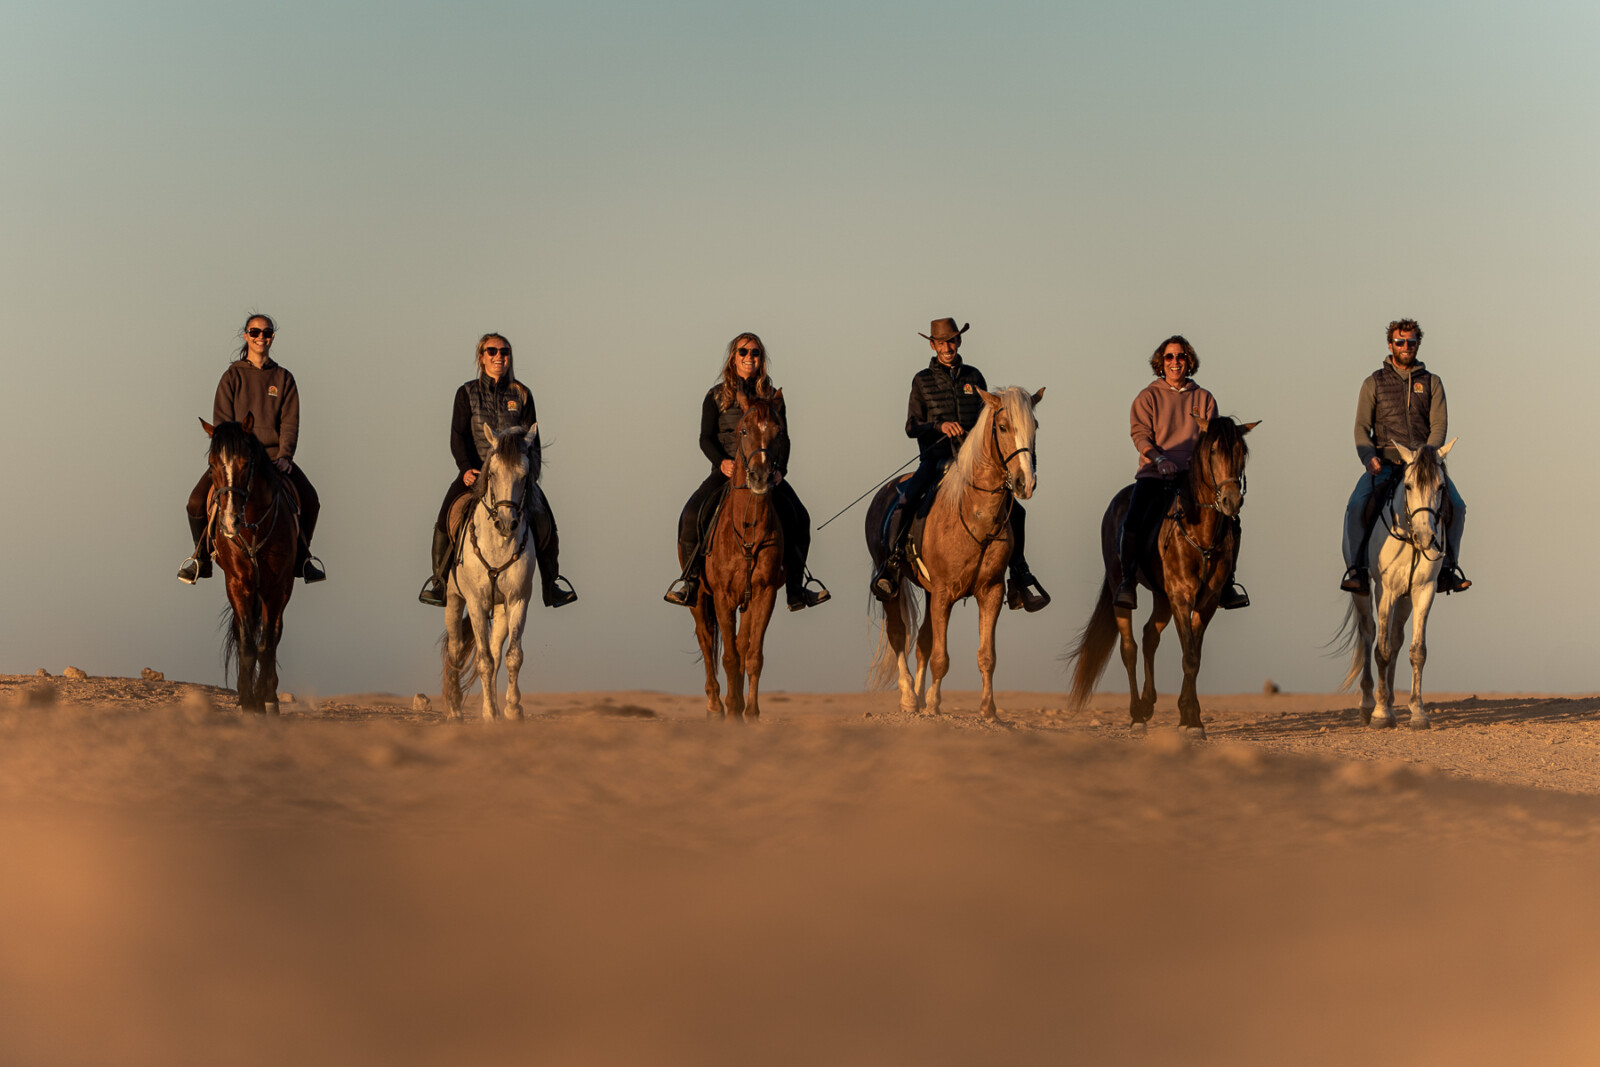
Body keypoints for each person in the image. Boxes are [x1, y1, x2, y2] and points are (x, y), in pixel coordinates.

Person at [870, 318, 1049, 611]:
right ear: (933, 345)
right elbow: (911, 425)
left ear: (959, 343)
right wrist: (940, 426)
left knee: (1016, 513)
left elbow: (988, 422)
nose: (947, 347)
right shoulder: (922, 380)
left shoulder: (974, 377)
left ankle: (1018, 574)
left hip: (971, 462)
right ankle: (891, 564)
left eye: (952, 341)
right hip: (935, 458)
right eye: (942, 342)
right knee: (908, 498)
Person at [663, 332, 830, 612]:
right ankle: (690, 584)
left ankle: (795, 589)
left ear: (761, 359)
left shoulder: (772, 397)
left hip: (766, 473)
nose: (749, 358)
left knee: (800, 517)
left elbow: (784, 439)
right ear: (733, 358)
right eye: (743, 352)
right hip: (728, 471)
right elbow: (705, 438)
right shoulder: (715, 396)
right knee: (691, 515)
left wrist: (782, 470)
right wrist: (721, 463)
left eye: (755, 353)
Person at [417, 332, 577, 608]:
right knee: (445, 517)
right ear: (481, 357)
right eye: (492, 352)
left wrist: (528, 476)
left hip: (514, 477)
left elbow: (532, 440)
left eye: (504, 352)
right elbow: (457, 436)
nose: (499, 357)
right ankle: (439, 583)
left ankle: (551, 584)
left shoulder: (522, 393)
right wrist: (466, 469)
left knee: (545, 519)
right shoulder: (466, 393)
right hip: (477, 472)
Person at [179, 313, 324, 584]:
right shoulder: (231, 377)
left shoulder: (284, 378)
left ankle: (303, 558)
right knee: (196, 502)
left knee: (311, 499)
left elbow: (290, 422)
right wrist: (231, 458)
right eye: (255, 332)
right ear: (246, 335)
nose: (261, 337)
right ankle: (200, 558)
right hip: (236, 462)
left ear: (272, 337)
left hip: (273, 459)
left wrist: (285, 456)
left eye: (266, 333)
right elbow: (222, 425)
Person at [1113, 335, 1249, 611]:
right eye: (1169, 357)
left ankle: (1227, 583)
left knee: (1231, 522)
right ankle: (1128, 580)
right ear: (1160, 363)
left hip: (1192, 476)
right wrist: (1159, 458)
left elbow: (1213, 442)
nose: (1175, 362)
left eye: (1181, 356)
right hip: (1155, 472)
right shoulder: (1147, 397)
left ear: (1189, 361)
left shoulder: (1204, 398)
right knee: (1133, 519)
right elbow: (1140, 435)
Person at [1339, 318, 1469, 594]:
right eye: (1400, 342)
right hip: (1384, 463)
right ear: (1390, 344)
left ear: (1418, 344)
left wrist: (1427, 457)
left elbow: (1439, 426)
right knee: (1356, 505)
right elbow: (1362, 427)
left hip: (1424, 467)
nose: (1406, 347)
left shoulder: (1432, 382)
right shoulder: (1373, 382)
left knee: (1457, 506)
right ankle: (1357, 569)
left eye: (1411, 342)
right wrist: (1368, 457)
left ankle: (1449, 568)